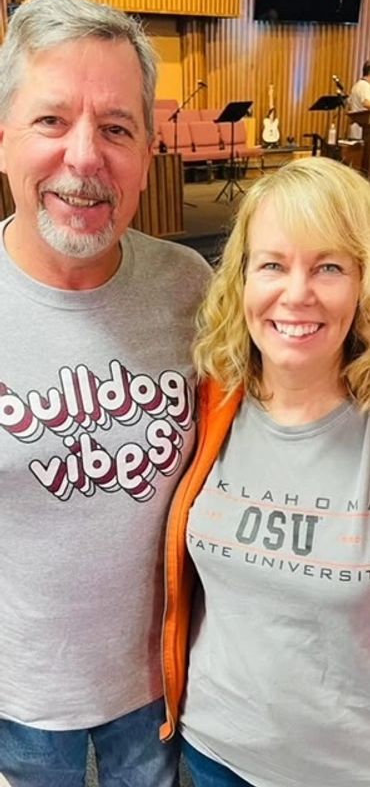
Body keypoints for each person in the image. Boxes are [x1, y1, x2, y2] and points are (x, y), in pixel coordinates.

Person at [0, 0, 210, 785]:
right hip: (18, 698)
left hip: (159, 684)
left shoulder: (189, 287)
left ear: (149, 152)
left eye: (116, 128)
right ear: (3, 140)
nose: (85, 157)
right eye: (52, 121)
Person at [161, 156, 370, 786]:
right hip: (212, 751)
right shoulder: (212, 403)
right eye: (273, 264)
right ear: (243, 280)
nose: (296, 293)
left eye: (328, 266)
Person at [348, 59, 370, 139]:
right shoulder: (365, 86)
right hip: (363, 130)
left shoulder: (357, 85)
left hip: (358, 128)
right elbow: (367, 103)